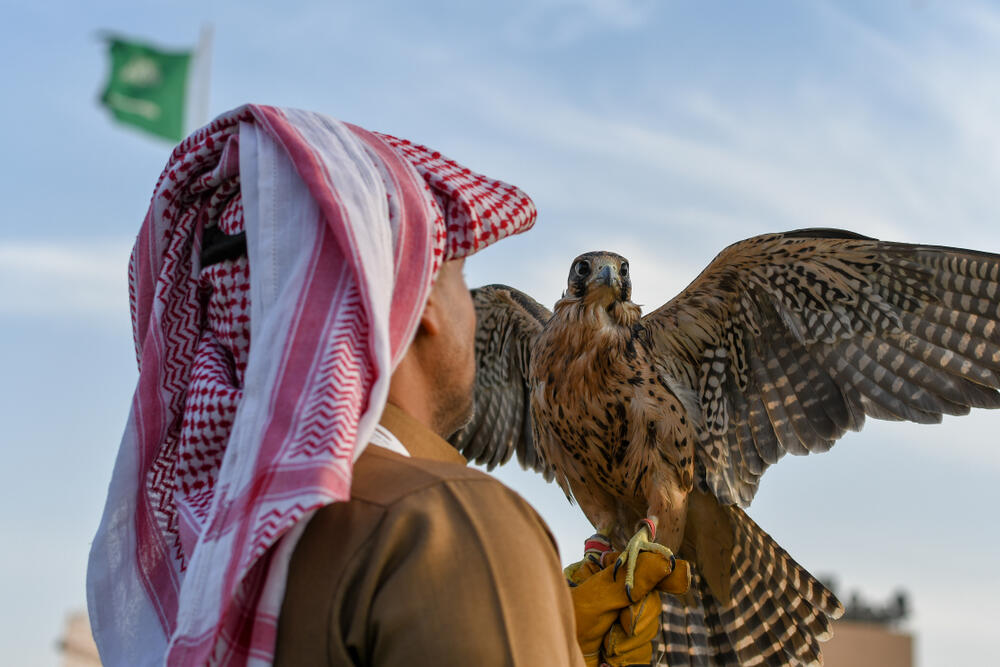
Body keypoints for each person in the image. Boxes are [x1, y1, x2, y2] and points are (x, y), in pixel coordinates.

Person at [87, 105, 686, 667]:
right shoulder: (448, 527)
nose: (473, 312)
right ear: (420, 298)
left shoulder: (199, 546)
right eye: (460, 276)